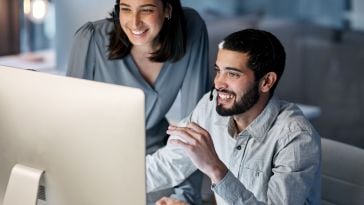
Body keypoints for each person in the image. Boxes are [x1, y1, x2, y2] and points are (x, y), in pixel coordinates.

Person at [147, 29, 321, 205]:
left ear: (266, 81)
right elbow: (166, 165)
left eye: (232, 74)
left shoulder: (296, 137)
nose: (218, 83)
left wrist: (216, 169)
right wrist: (120, 177)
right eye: (218, 71)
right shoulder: (211, 106)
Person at [67, 0, 211, 204]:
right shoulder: (90, 39)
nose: (134, 23)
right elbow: (70, 124)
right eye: (126, 9)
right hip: (96, 159)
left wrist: (184, 197)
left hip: (156, 156)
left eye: (147, 10)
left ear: (168, 10)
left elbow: (195, 125)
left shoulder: (191, 29)